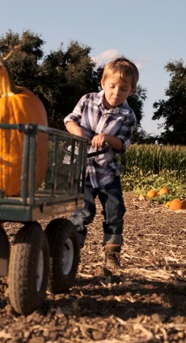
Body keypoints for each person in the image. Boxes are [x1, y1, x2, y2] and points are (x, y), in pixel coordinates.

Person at [63, 56, 139, 275]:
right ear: (103, 83)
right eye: (112, 86)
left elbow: (123, 143)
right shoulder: (87, 100)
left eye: (123, 89)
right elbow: (70, 120)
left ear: (131, 91)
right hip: (81, 170)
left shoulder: (127, 115)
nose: (116, 92)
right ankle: (71, 251)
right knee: (82, 212)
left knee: (115, 211)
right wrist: (77, 132)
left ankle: (112, 254)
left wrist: (107, 138)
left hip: (107, 172)